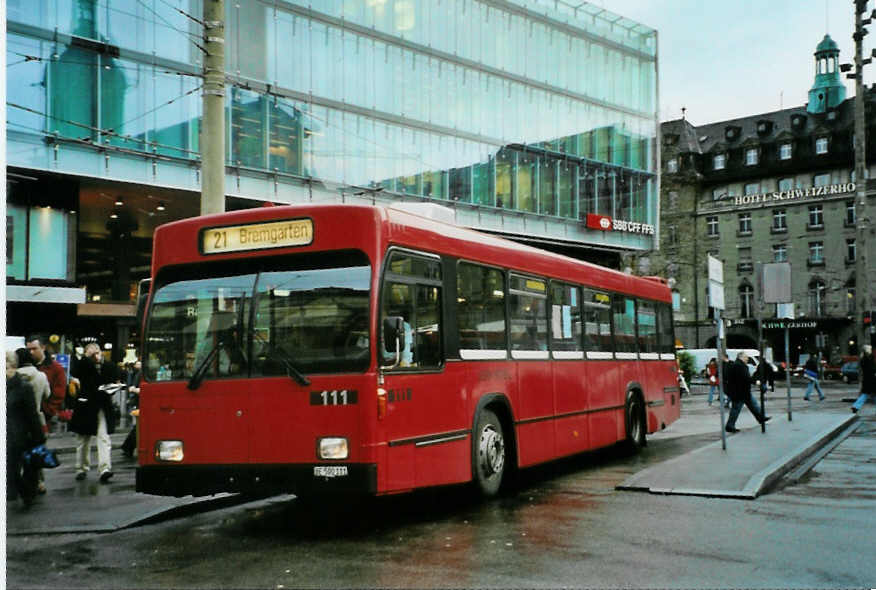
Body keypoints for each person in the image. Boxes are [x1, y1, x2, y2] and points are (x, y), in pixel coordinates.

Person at [69, 342, 121, 483]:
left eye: (98, 350)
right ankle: (81, 468)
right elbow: (75, 372)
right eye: (92, 351)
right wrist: (86, 357)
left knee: (103, 437)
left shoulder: (108, 365)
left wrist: (114, 386)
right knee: (83, 440)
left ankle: (105, 468)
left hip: (102, 405)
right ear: (86, 352)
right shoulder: (83, 364)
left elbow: (115, 377)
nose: (96, 353)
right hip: (86, 406)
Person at [7, 350, 46, 507]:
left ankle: (25, 494)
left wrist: (39, 436)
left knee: (16, 471)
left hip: (18, 436)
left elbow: (32, 415)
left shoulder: (24, 387)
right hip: (9, 435)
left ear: (11, 365)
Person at [25, 334, 69, 428]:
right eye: (29, 349)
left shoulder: (56, 368)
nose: (31, 352)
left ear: (43, 348)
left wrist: (48, 411)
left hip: (45, 416)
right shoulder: (25, 365)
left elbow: (59, 393)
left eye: (34, 348)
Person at [724, 351, 771, 433]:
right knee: (736, 409)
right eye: (746, 357)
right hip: (740, 392)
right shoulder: (740, 366)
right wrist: (756, 382)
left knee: (753, 405)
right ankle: (729, 426)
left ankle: (761, 418)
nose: (747, 359)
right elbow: (746, 378)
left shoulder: (736, 365)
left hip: (741, 392)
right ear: (741, 357)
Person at [121, 360, 141, 458]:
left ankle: (127, 446)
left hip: (139, 402)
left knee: (138, 427)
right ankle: (127, 446)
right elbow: (132, 387)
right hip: (140, 402)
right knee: (139, 427)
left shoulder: (139, 373)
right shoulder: (140, 374)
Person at [851, 345, 876, 414]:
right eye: (870, 348)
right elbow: (872, 368)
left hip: (866, 379)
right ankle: (855, 406)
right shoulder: (869, 358)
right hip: (872, 379)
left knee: (865, 394)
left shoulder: (862, 358)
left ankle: (856, 406)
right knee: (870, 394)